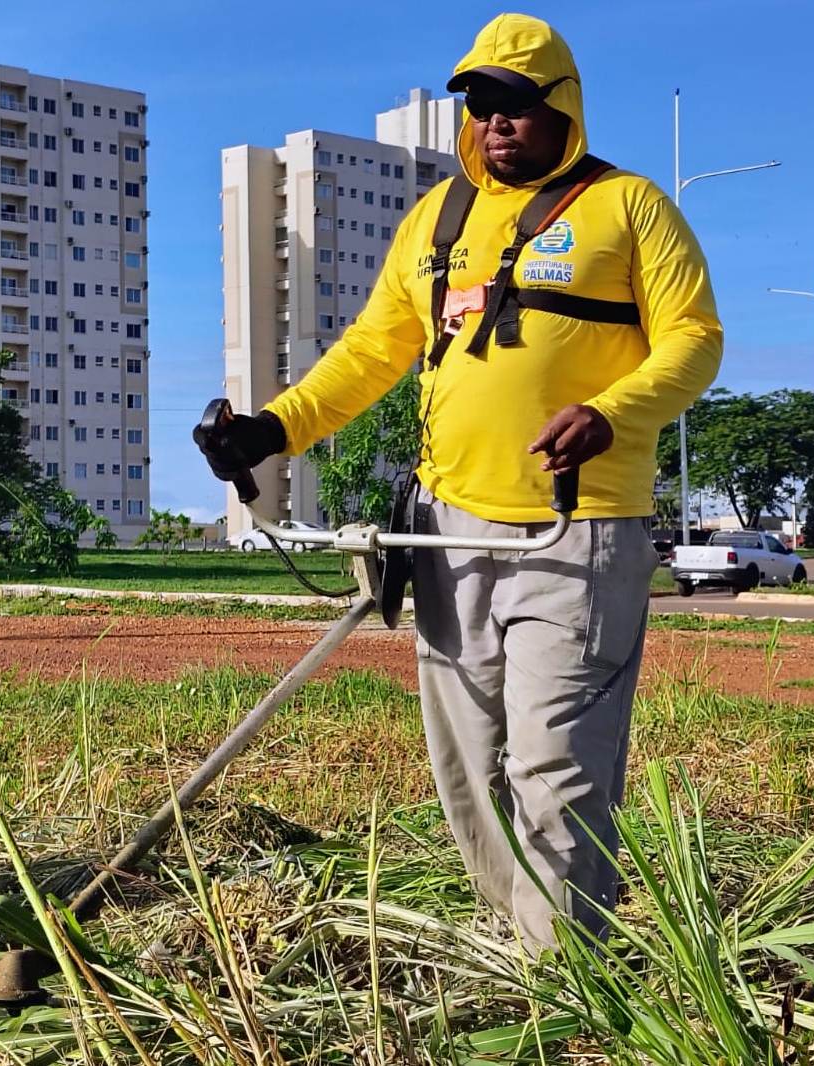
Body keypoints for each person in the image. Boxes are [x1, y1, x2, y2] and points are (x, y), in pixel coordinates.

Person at [197, 13, 722, 951]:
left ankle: (566, 975)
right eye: (480, 107)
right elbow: (370, 353)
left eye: (518, 105)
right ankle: (511, 945)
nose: (496, 124)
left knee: (554, 760)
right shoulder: (436, 221)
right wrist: (274, 429)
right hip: (445, 528)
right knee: (468, 762)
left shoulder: (630, 207)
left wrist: (613, 411)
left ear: (564, 108)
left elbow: (693, 339)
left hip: (578, 528)